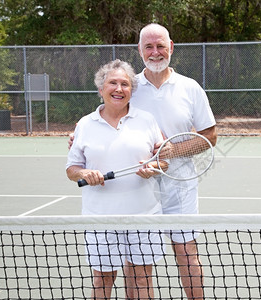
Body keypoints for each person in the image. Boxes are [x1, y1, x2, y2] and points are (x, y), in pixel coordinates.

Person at [69, 24, 217, 299]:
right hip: (135, 190)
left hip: (178, 188)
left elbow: (210, 137)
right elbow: (104, 115)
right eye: (148, 46)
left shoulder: (190, 88)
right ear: (140, 50)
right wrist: (77, 134)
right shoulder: (129, 85)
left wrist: (170, 152)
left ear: (171, 47)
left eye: (160, 45)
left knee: (186, 251)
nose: (155, 52)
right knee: (134, 264)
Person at [66, 59, 165, 299]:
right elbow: (71, 168)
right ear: (101, 89)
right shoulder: (85, 124)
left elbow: (163, 159)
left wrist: (154, 167)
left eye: (125, 84)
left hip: (144, 216)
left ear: (132, 90)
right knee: (102, 279)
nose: (119, 89)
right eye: (113, 83)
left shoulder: (147, 120)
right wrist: (84, 174)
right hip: (100, 219)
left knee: (141, 278)